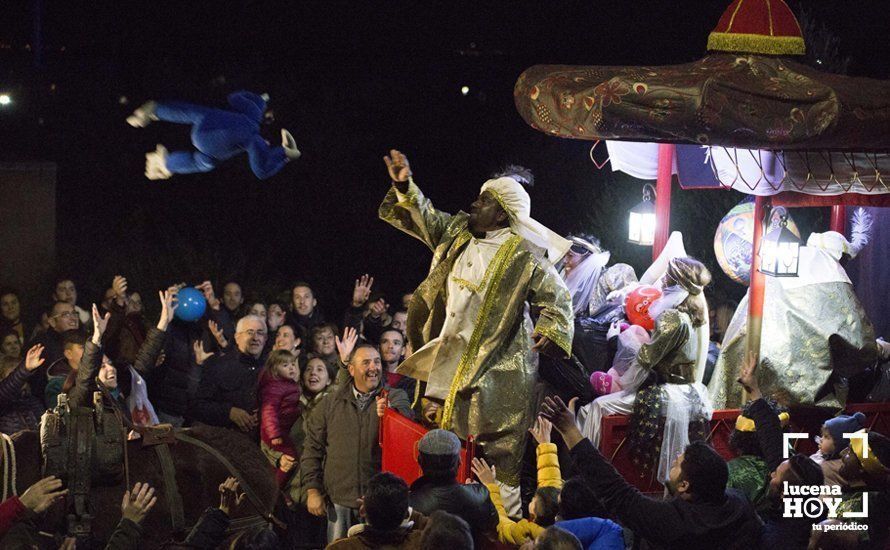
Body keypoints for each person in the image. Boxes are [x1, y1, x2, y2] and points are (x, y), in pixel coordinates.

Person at [380, 151, 573, 513]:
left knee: (492, 454)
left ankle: (502, 527)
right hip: (445, 363)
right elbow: (427, 218)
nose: (473, 203)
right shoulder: (457, 233)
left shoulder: (524, 253)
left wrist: (551, 326)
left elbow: (557, 296)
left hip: (495, 372)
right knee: (439, 444)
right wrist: (404, 186)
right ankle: (436, 520)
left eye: (483, 200)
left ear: (502, 213)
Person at [540, 395, 763, 549]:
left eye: (677, 464)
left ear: (685, 486)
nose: (672, 461)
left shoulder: (673, 524)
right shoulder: (739, 504)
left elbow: (616, 491)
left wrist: (569, 430)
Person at [709, 210, 879, 408]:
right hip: (801, 402)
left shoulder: (784, 262)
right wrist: (878, 350)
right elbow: (860, 347)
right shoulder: (831, 271)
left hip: (743, 376)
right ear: (842, 258)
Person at [301, 344, 413, 541]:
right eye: (366, 362)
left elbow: (407, 428)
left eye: (377, 362)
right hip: (339, 501)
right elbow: (312, 449)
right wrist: (312, 490)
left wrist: (391, 415)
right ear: (351, 370)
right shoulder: (329, 404)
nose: (373, 367)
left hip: (380, 504)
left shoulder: (395, 397)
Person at [736, 352, 826, 549]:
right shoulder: (813, 508)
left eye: (775, 475)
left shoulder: (777, 538)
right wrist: (754, 391)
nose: (771, 473)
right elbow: (773, 442)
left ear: (785, 494)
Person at [126, 91, 300, 180]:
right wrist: (284, 155)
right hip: (211, 147)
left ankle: (155, 110)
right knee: (205, 162)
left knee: (197, 115)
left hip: (208, 125)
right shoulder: (255, 136)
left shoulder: (252, 116)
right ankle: (167, 163)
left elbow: (234, 97)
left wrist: (259, 99)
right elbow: (261, 170)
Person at [472, 417, 563, 546]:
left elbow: (502, 526)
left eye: (533, 501)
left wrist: (490, 486)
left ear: (533, 513)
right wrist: (545, 445)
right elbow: (551, 481)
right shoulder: (564, 530)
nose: (532, 500)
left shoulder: (526, 532)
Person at [408, 429, 498, 544]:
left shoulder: (409, 504)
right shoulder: (481, 496)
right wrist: (487, 487)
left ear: (420, 462)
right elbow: (493, 529)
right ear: (459, 463)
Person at [192, 314, 268, 432]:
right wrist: (229, 412)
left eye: (260, 333)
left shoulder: (270, 370)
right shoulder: (218, 365)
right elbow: (197, 406)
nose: (255, 337)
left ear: (265, 339)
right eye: (250, 332)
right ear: (237, 337)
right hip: (224, 441)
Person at [326, 472, 430, 550]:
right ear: (406, 513)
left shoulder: (341, 547)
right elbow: (441, 526)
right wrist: (401, 507)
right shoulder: (421, 543)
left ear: (363, 511)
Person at [258, 350, 302, 486]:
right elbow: (268, 410)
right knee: (290, 457)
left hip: (281, 429)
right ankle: (276, 489)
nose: (291, 368)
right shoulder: (275, 386)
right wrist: (274, 434)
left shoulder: (288, 384)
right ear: (274, 369)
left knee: (274, 464)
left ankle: (273, 486)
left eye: (293, 364)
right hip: (274, 432)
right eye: (285, 365)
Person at [0, 344, 46, 434]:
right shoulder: (3, 403)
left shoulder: (33, 401)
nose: (22, 380)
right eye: (11, 374)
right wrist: (25, 369)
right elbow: (4, 391)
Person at [379, 328, 415, 401]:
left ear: (403, 350)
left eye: (396, 343)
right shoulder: (371, 374)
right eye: (385, 341)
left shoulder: (412, 380)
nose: (390, 346)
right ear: (378, 348)